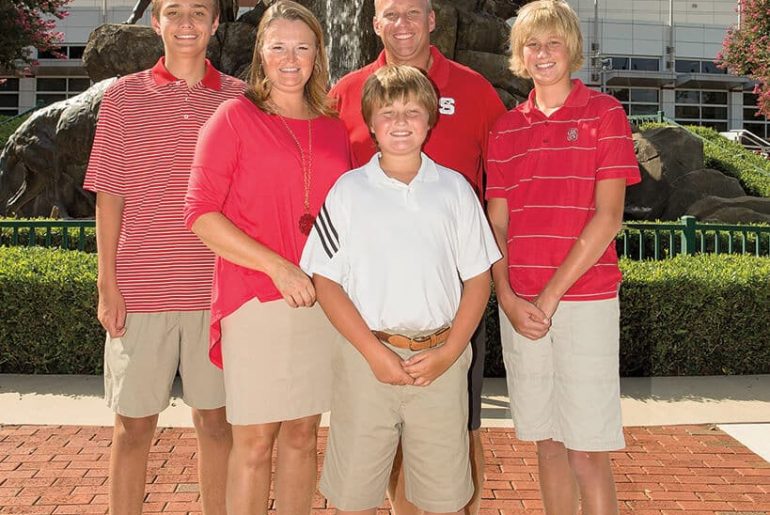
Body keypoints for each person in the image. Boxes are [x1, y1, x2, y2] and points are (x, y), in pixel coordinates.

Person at [329, 2, 506, 512]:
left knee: (457, 432)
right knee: (377, 439)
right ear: (374, 23)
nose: (402, 23)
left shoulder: (476, 90)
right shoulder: (347, 92)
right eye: (390, 13)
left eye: (413, 12)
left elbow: (504, 183)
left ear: (433, 20)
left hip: (450, 304)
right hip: (370, 309)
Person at [183, 2, 351, 514]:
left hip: (321, 303)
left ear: (318, 54)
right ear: (261, 52)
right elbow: (199, 213)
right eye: (278, 46)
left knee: (302, 436)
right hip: (256, 298)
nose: (290, 58)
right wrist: (276, 265)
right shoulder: (234, 115)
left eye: (302, 47)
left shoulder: (333, 126)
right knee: (254, 442)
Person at [83, 0, 244, 512]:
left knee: (216, 423)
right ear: (156, 22)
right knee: (133, 427)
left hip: (217, 291)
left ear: (216, 23)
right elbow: (109, 196)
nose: (187, 24)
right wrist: (107, 284)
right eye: (174, 11)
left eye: (199, 12)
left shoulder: (240, 100)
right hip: (142, 288)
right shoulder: (123, 97)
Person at [485, 1, 641, 514]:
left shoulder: (605, 115)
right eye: (532, 43)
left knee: (587, 450)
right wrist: (506, 296)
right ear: (519, 54)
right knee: (547, 445)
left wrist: (549, 296)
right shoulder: (505, 130)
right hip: (522, 307)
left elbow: (608, 216)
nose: (543, 53)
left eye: (553, 42)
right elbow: (498, 223)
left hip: (585, 302)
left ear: (571, 48)